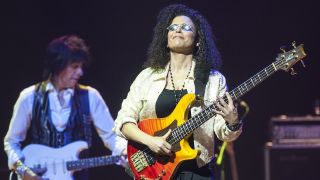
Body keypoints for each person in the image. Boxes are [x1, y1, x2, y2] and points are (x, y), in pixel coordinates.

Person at [113, 4, 242, 180]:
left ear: (198, 39)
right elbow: (123, 121)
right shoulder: (147, 77)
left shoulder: (213, 80)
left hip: (196, 172)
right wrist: (151, 141)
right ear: (166, 38)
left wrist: (232, 121)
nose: (178, 30)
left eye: (186, 27)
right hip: (154, 171)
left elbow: (222, 132)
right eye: (173, 27)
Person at [4, 35, 127, 180]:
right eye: (75, 67)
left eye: (81, 67)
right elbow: (11, 142)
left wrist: (125, 150)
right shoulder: (29, 97)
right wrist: (23, 170)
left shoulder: (90, 96)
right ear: (58, 65)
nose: (80, 72)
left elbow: (111, 135)